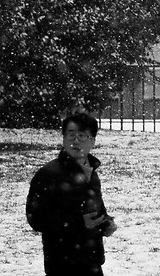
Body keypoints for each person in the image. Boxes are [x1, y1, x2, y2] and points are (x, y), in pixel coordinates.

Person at [27, 111, 117, 275]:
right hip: (62, 262)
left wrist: (105, 224)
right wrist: (78, 223)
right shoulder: (48, 175)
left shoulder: (92, 173)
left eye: (82, 136)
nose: (75, 141)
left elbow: (95, 210)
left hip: (92, 260)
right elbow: (36, 219)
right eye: (71, 135)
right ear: (63, 138)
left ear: (93, 141)